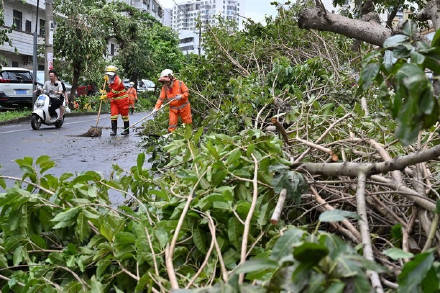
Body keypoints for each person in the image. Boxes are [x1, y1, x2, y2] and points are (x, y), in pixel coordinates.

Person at [100, 65, 130, 136]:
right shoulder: (109, 78)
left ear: (114, 74)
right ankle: (114, 131)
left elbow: (114, 92)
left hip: (122, 100)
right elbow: (109, 85)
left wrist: (105, 96)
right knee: (113, 115)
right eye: (107, 74)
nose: (108, 76)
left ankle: (126, 130)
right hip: (114, 101)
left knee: (124, 116)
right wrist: (106, 79)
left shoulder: (118, 81)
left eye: (109, 75)